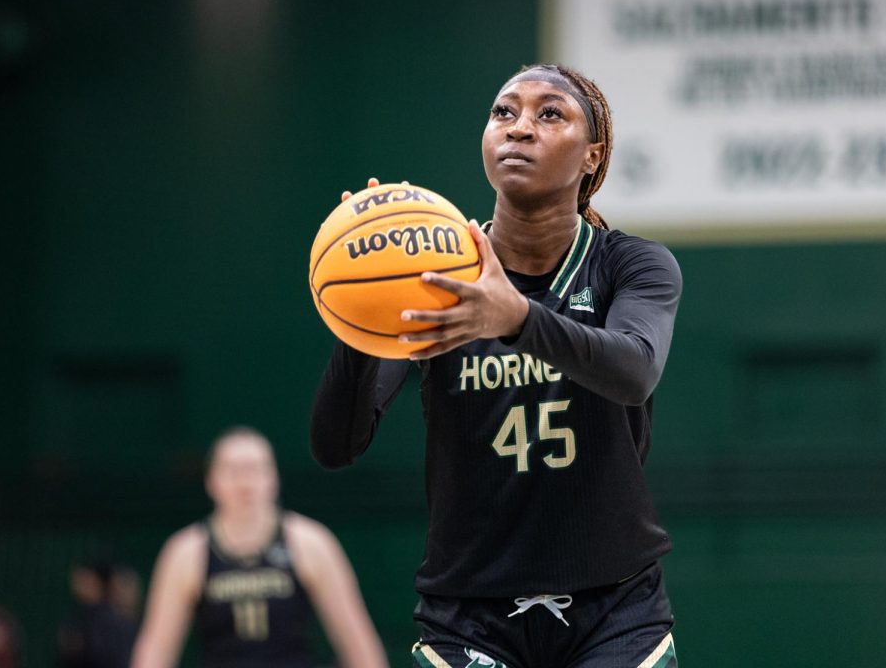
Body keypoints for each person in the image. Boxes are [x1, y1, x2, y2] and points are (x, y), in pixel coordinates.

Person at [312, 64, 683, 668]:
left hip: (614, 607)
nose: (520, 128)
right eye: (504, 112)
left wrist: (517, 319)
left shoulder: (629, 265)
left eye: (549, 113)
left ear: (593, 156)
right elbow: (336, 444)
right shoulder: (436, 275)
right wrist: (361, 306)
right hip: (469, 615)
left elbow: (634, 368)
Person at [129, 427, 387, 668]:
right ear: (211, 481)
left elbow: (359, 645)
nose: (244, 482)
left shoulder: (311, 542)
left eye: (254, 469)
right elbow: (156, 650)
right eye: (232, 470)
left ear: (273, 478)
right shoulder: (186, 551)